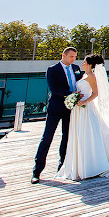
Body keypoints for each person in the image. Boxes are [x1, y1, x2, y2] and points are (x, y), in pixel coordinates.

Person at [32, 47, 83, 184]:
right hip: (56, 107)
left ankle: (62, 168)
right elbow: (54, 88)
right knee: (47, 137)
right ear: (64, 55)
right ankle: (37, 171)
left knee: (67, 137)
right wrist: (72, 95)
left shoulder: (76, 68)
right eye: (71, 56)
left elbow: (80, 83)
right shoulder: (52, 69)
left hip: (70, 108)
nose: (73, 59)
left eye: (75, 56)